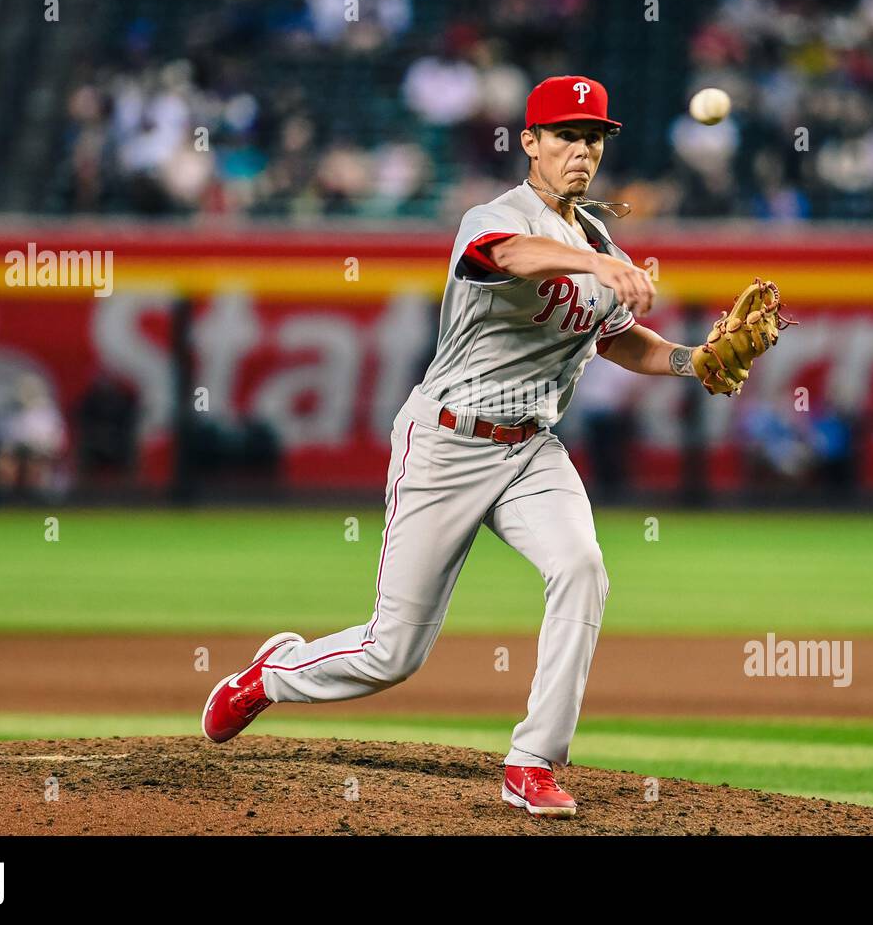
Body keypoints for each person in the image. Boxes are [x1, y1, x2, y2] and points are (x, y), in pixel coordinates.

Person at [202, 75, 775, 817]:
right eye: (565, 134)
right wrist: (597, 265)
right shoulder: (495, 217)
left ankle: (533, 761)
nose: (581, 150)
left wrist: (688, 360)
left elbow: (615, 340)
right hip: (446, 443)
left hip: (533, 449)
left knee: (582, 567)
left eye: (594, 137)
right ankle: (272, 673)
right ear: (530, 143)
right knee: (392, 654)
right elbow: (506, 257)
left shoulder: (597, 238)